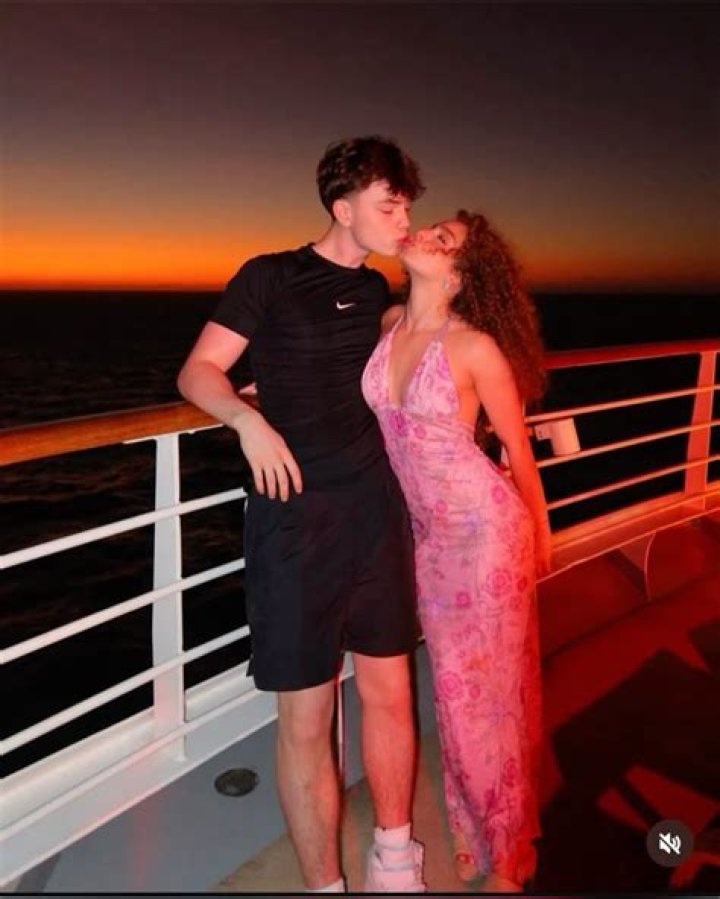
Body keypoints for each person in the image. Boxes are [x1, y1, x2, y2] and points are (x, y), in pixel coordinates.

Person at [177, 136, 427, 893]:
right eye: (391, 206)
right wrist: (246, 420)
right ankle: (326, 886)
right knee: (307, 718)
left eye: (406, 207)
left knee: (391, 690)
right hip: (294, 519)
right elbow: (199, 370)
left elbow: (390, 346)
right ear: (343, 208)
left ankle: (396, 859)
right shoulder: (270, 276)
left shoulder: (378, 286)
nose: (405, 220)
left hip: (375, 509)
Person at [361, 210, 551, 893]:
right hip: (431, 540)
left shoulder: (474, 348)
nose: (424, 235)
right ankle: (475, 828)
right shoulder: (388, 323)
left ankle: (511, 852)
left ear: (461, 275)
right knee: (454, 692)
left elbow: (519, 454)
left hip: (486, 534)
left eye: (443, 241)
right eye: (432, 228)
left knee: (490, 699)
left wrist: (541, 540)